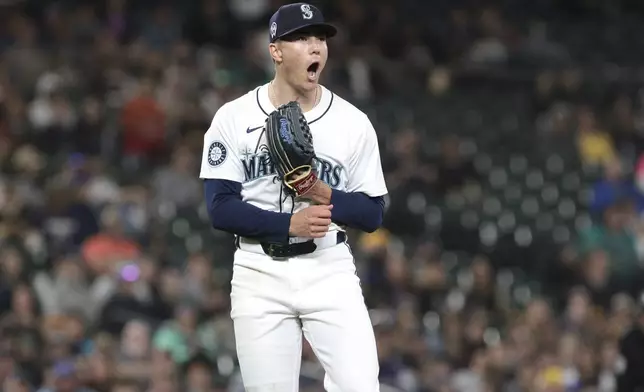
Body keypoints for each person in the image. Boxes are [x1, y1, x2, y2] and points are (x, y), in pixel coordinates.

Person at [199, 3, 387, 391]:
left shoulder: (353, 123)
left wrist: (320, 192)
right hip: (258, 270)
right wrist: (288, 224)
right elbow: (220, 209)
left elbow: (372, 214)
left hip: (327, 265)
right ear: (276, 50)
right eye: (303, 38)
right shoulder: (232, 118)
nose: (316, 47)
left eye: (321, 38)